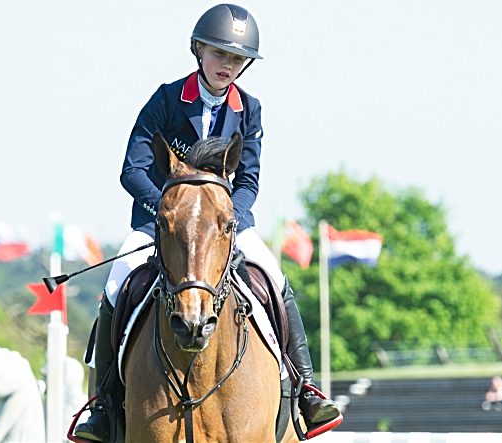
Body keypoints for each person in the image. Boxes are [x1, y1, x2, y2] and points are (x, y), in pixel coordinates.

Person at [74, 4, 341, 441]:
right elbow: (133, 169)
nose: (227, 65)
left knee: (274, 277)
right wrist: (174, 208)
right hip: (164, 223)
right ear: (198, 50)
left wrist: (223, 215)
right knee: (118, 277)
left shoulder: (250, 109)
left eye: (236, 59)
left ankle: (306, 388)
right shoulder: (164, 99)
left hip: (224, 223)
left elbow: (249, 179)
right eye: (219, 54)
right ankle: (102, 405)